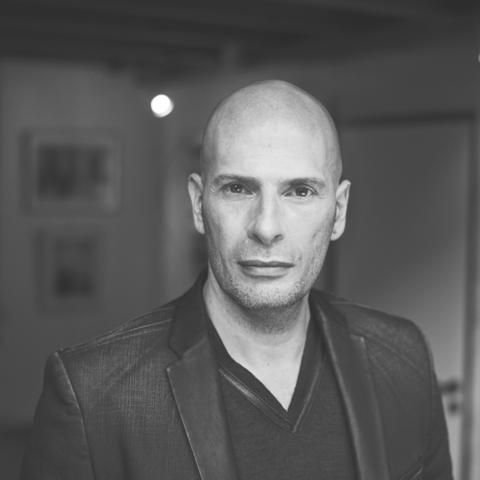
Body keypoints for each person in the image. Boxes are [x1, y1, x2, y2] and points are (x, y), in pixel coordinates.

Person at [21, 80, 453, 480]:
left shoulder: (402, 356)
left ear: (338, 211)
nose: (266, 227)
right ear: (198, 204)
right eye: (238, 189)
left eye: (300, 191)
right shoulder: (93, 394)